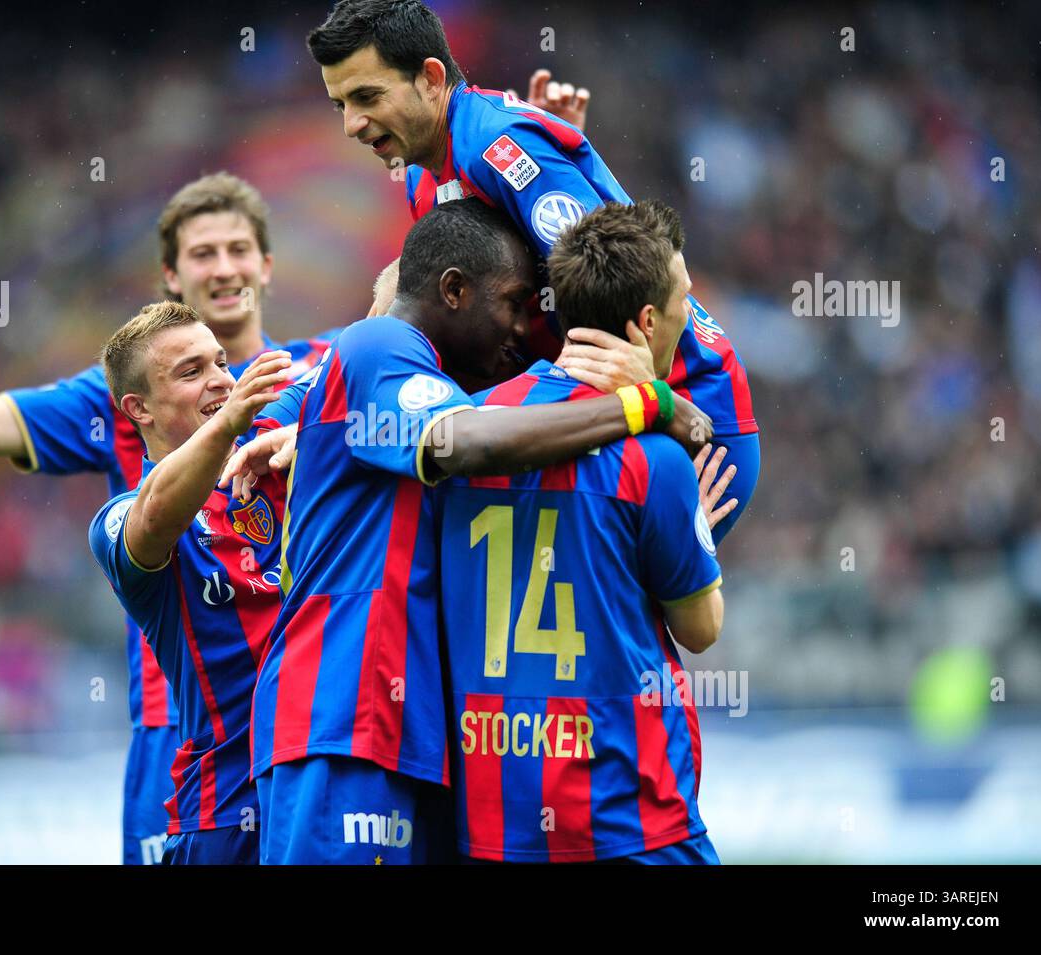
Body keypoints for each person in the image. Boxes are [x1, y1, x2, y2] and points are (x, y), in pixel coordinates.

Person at [248, 198, 712, 864]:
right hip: (343, 719)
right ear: (455, 290)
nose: (524, 328)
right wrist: (650, 404)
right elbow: (465, 442)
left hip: (417, 736)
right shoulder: (381, 344)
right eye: (515, 303)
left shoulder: (431, 382)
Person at [0, 171, 330, 864]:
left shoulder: (320, 374)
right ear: (170, 274)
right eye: (202, 253)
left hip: (311, 703)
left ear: (267, 264)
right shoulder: (115, 397)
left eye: (237, 249)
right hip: (180, 717)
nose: (223, 267)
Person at [306, 0, 758, 541]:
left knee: (452, 444)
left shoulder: (500, 147)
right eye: (340, 105)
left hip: (689, 410)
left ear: (430, 78)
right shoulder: (419, 175)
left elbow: (614, 279)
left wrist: (653, 399)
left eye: (367, 97)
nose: (353, 124)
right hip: (604, 405)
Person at [442, 199, 728, 864]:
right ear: (650, 320)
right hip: (625, 814)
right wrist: (698, 531)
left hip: (492, 819)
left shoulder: (472, 427)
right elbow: (700, 627)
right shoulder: (655, 458)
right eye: (686, 301)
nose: (691, 318)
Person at [89, 302, 292, 864]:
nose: (221, 380)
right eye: (191, 371)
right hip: (228, 811)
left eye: (221, 362)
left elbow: (388, 322)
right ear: (139, 408)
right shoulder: (121, 521)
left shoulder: (276, 453)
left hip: (321, 789)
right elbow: (153, 517)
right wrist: (229, 421)